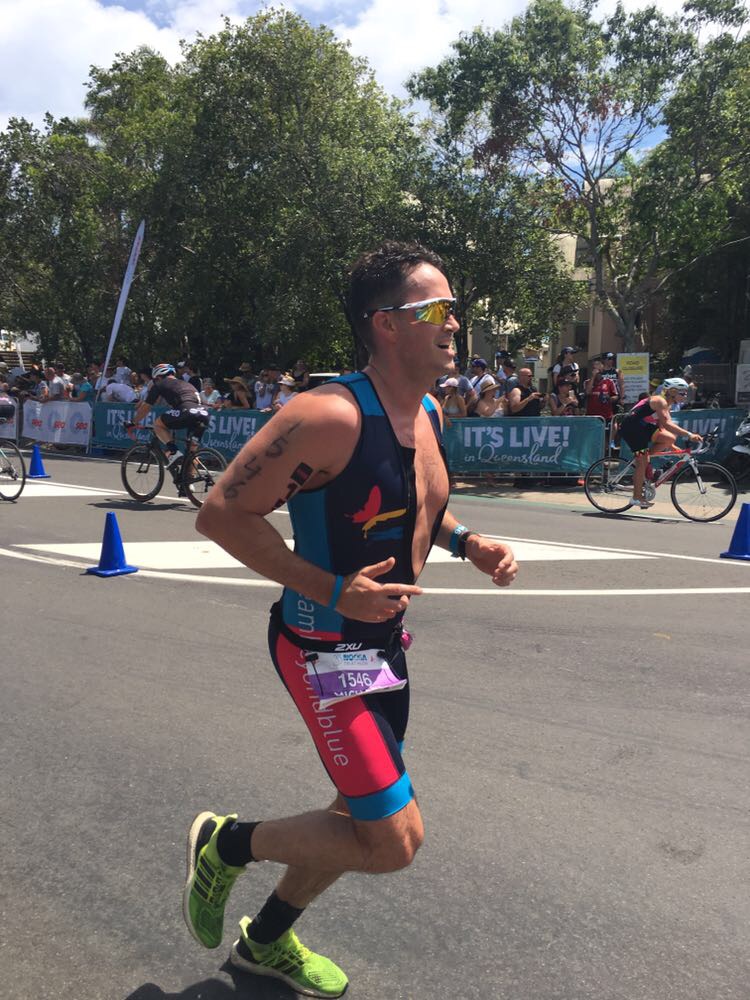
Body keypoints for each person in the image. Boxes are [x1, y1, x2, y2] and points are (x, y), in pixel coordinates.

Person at [186, 241, 518, 997]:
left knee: (353, 813)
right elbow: (222, 515)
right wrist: (334, 591)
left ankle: (266, 940)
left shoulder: (427, 410)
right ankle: (226, 844)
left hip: (382, 649)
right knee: (393, 841)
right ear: (385, 324)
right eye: (436, 309)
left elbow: (412, 507)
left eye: (454, 309)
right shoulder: (326, 416)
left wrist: (468, 543)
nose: (454, 323)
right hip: (321, 648)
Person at [618, 377, 702, 509]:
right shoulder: (659, 401)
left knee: (670, 438)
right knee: (642, 462)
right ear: (672, 391)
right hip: (631, 428)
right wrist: (689, 435)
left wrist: (671, 445)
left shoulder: (667, 404)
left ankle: (644, 460)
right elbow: (667, 424)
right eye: (682, 393)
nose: (685, 396)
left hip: (642, 427)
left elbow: (661, 427)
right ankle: (636, 497)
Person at [132, 363, 209, 466]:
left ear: (158, 377)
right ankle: (190, 476)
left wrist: (133, 422)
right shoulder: (186, 384)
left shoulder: (160, 384)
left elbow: (146, 407)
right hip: (204, 414)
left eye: (155, 380)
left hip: (187, 410)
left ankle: (173, 452)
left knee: (158, 424)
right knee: (192, 452)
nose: (155, 382)